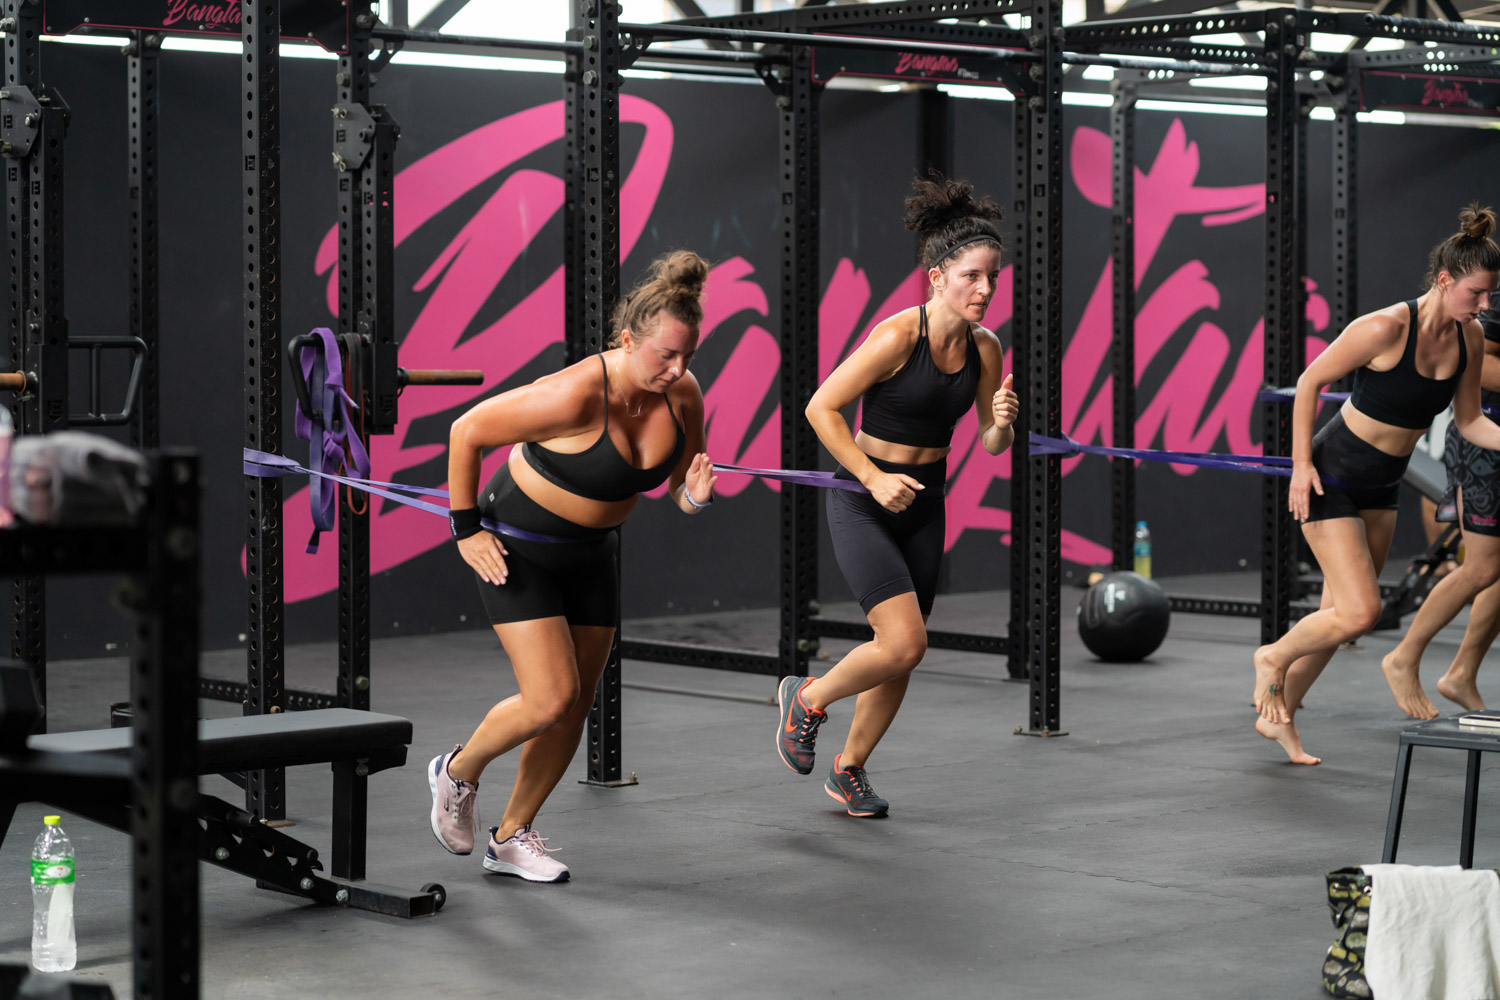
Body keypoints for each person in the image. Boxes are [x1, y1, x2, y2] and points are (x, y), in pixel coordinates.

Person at [433, 250, 718, 881]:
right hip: (519, 550)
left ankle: (511, 836)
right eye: (665, 355)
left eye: (689, 355)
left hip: (594, 554)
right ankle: (456, 771)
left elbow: (679, 485)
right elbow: (466, 431)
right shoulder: (576, 393)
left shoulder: (684, 396)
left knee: (576, 703)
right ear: (627, 341)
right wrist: (465, 531)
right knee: (550, 697)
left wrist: (693, 496)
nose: (678, 369)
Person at [775, 174, 1018, 816]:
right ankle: (806, 698)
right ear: (937, 277)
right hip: (865, 498)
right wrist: (872, 477)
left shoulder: (986, 348)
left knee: (899, 655)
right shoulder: (897, 336)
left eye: (993, 277)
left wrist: (1001, 421)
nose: (985, 289)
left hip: (925, 502)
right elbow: (821, 408)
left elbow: (992, 444)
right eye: (971, 276)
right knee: (905, 642)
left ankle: (849, 769)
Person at [1253, 205, 1500, 764]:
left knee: (1338, 618)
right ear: (1445, 280)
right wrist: (1300, 466)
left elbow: (1470, 421)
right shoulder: (1386, 327)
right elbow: (1310, 382)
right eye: (1477, 293)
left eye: (1490, 295)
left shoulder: (1470, 337)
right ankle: (1271, 657)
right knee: (1361, 613)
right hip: (1333, 477)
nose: (1485, 304)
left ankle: (1278, 715)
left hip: (1383, 486)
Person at [1379, 305, 1500, 715]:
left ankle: (1461, 674)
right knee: (1481, 568)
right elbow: (1481, 367)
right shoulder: (1496, 302)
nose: (1481, 300)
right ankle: (1403, 657)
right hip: (1487, 441)